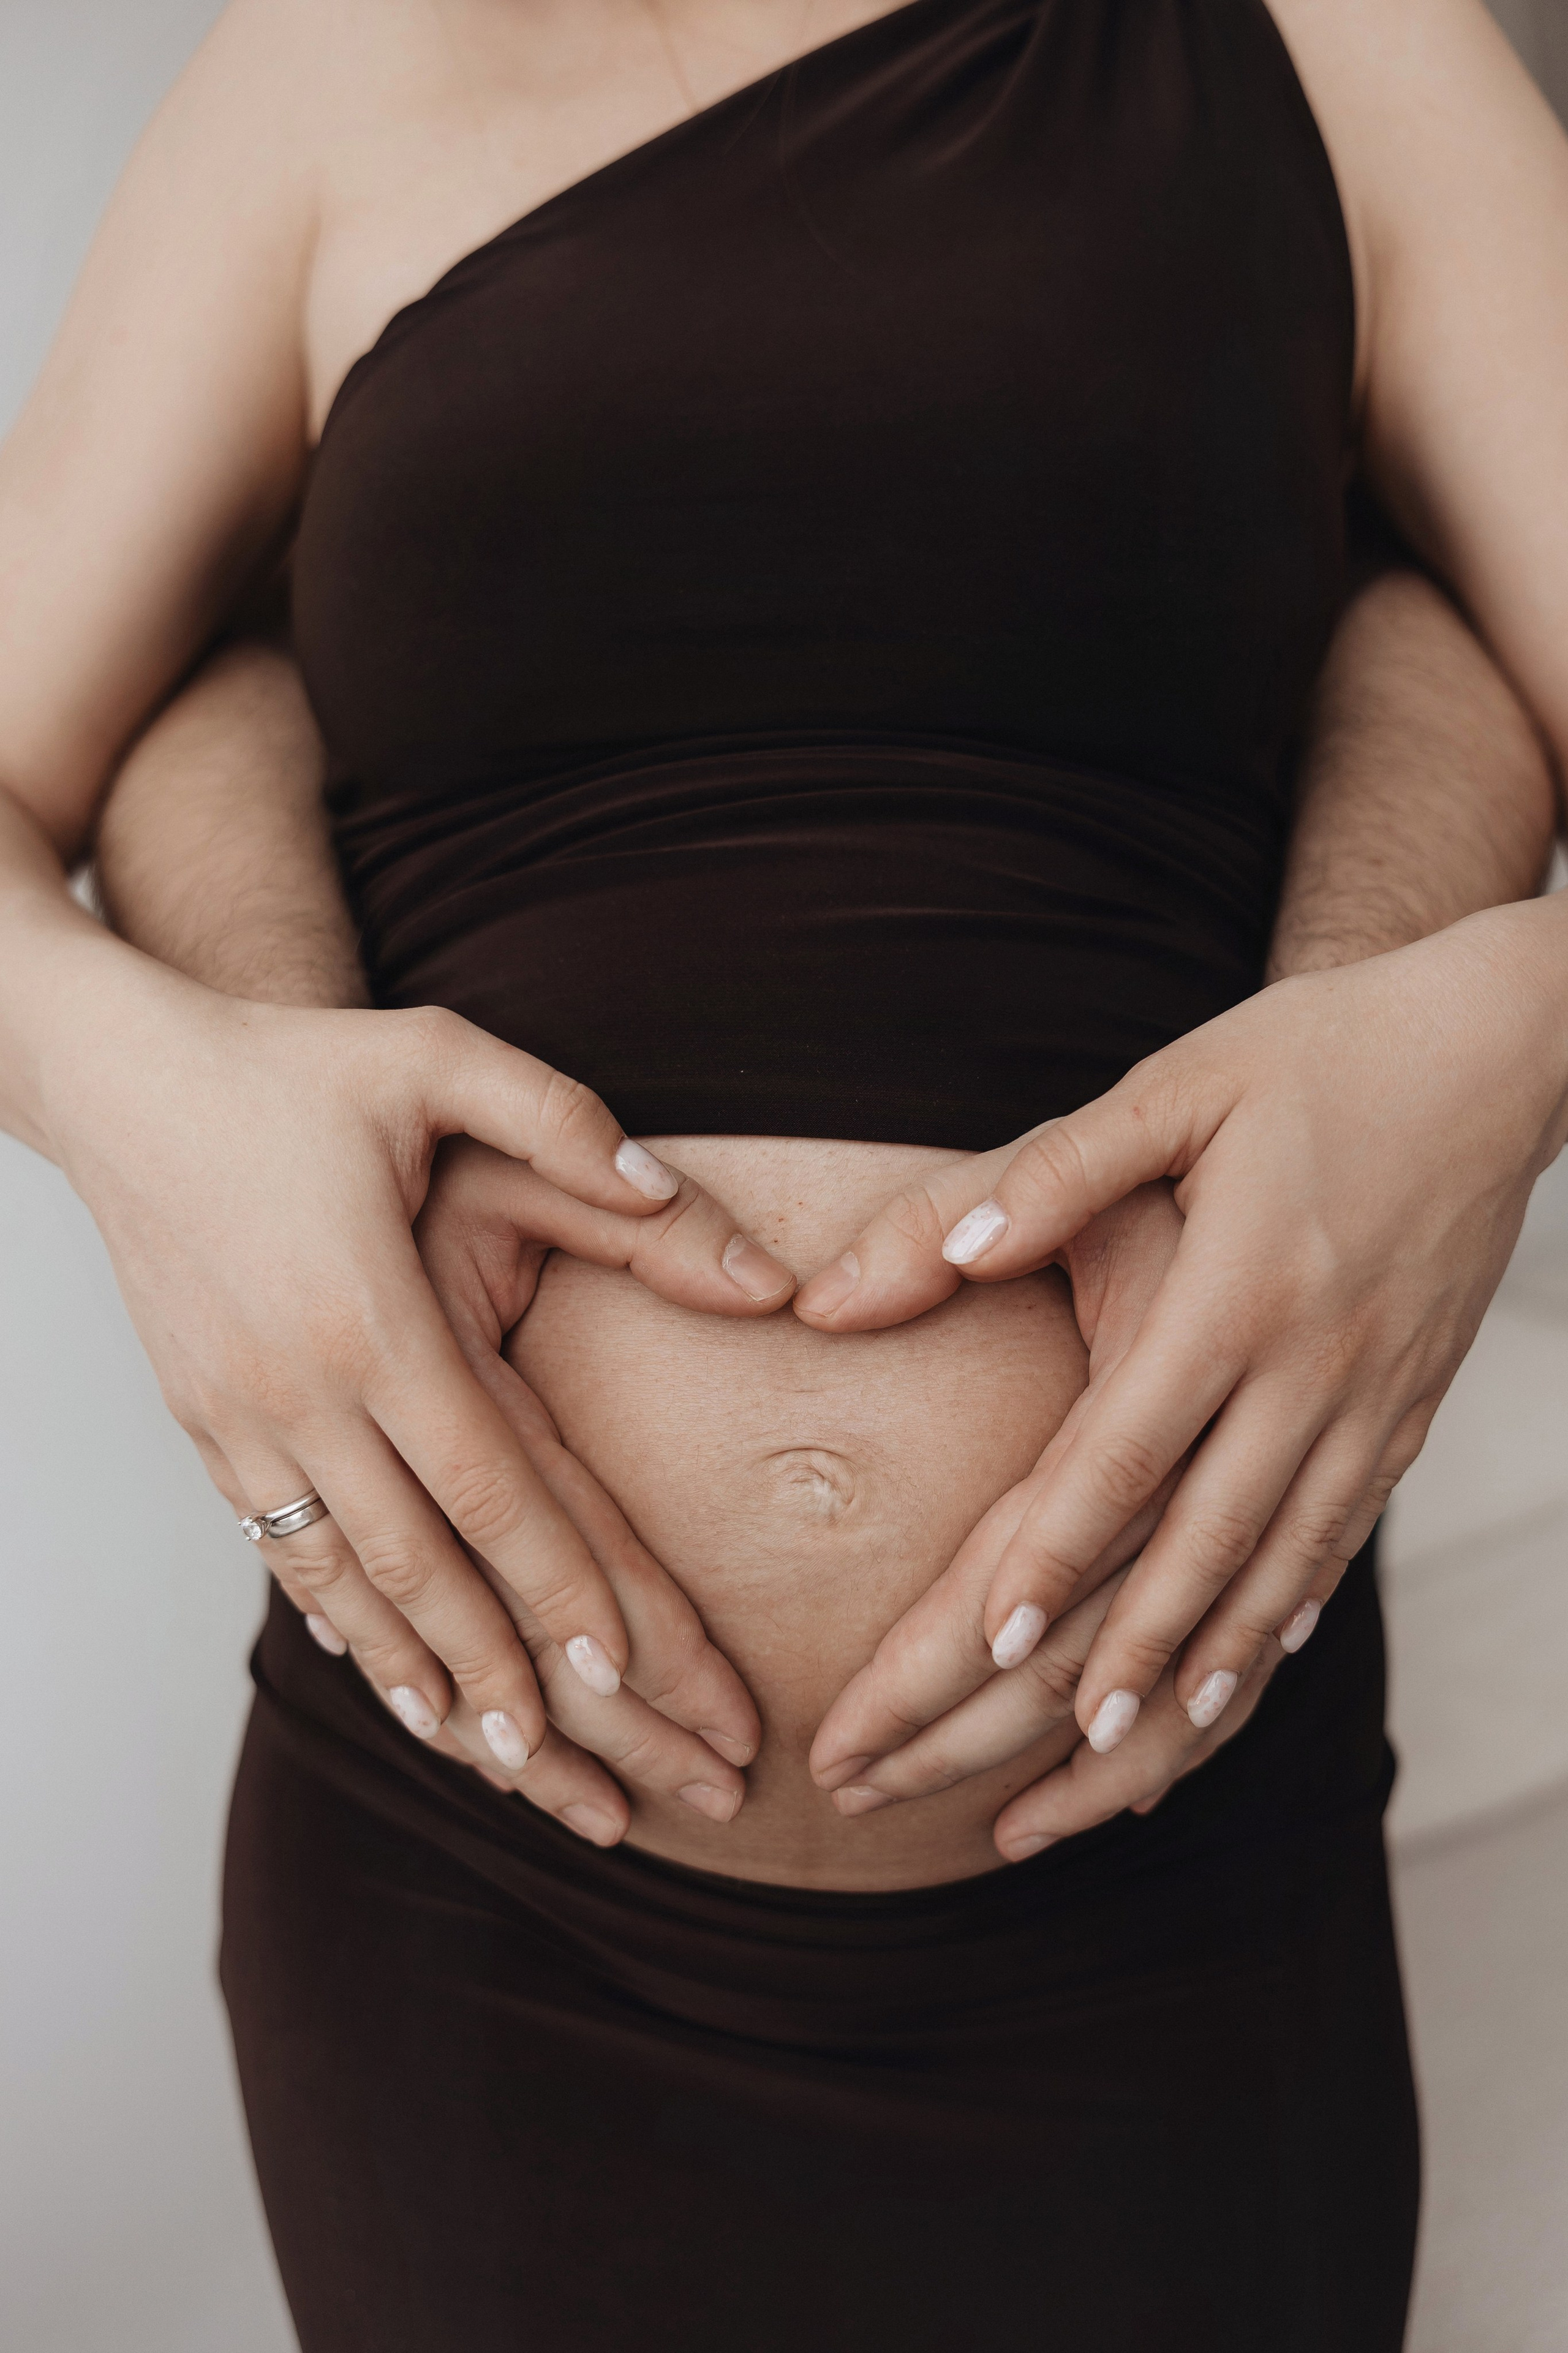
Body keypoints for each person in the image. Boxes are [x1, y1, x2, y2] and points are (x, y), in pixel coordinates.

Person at [1, 1, 1566, 2345]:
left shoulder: (1345, 50)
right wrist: (161, 1114)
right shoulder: (340, 62)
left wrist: (1511, 1042)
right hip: (469, 1876)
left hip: (1155, 1866)